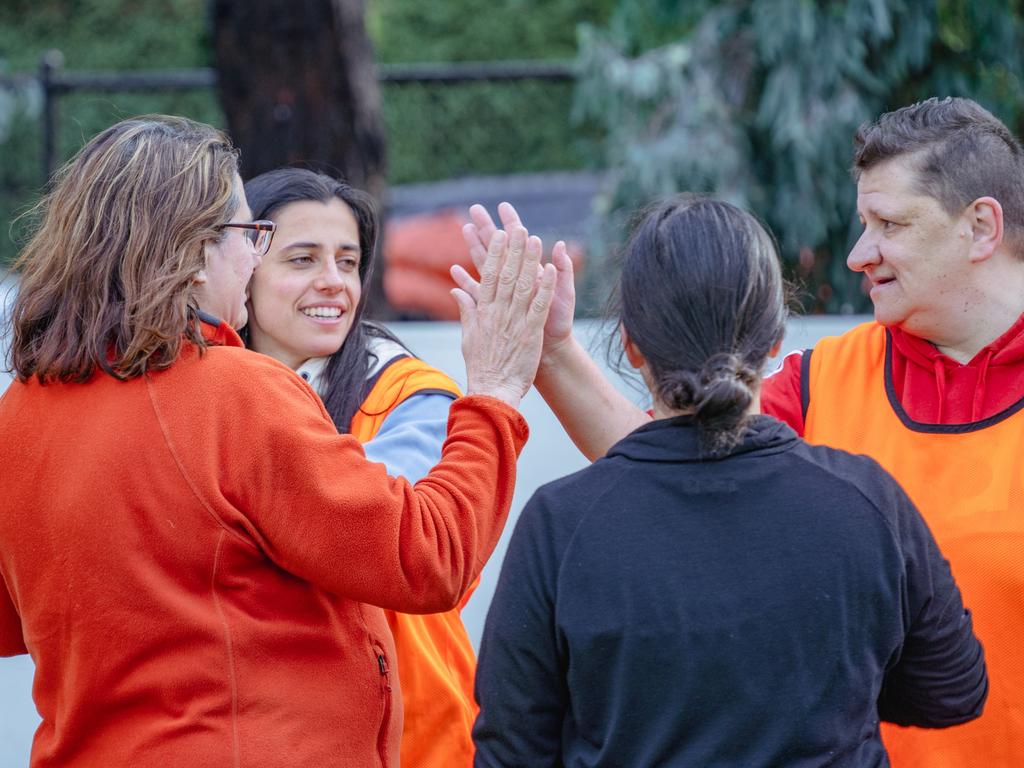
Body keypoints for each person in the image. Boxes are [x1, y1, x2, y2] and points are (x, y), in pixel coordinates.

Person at [459, 96, 1024, 767]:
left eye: (889, 224)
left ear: (981, 227)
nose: (856, 254)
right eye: (862, 222)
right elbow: (665, 466)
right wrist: (552, 351)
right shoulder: (825, 380)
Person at [0, 114, 555, 768]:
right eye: (249, 234)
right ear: (191, 251)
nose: (254, 254)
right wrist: (492, 393)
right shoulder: (234, 392)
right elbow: (427, 556)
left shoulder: (21, 413)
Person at [241, 167, 476, 768]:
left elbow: (375, 527)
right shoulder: (208, 389)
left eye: (347, 263)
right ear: (240, 268)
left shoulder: (412, 395)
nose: (333, 283)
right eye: (303, 260)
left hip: (416, 740)